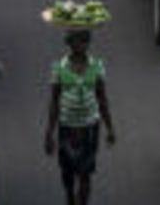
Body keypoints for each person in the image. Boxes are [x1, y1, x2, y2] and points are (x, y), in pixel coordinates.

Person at [45, 27, 115, 205]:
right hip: (67, 126)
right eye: (79, 40)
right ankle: (69, 197)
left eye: (86, 40)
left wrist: (110, 128)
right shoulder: (59, 68)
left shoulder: (97, 66)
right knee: (67, 172)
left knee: (86, 173)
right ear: (69, 43)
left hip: (90, 127)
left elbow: (102, 98)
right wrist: (49, 133)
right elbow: (54, 101)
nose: (83, 44)